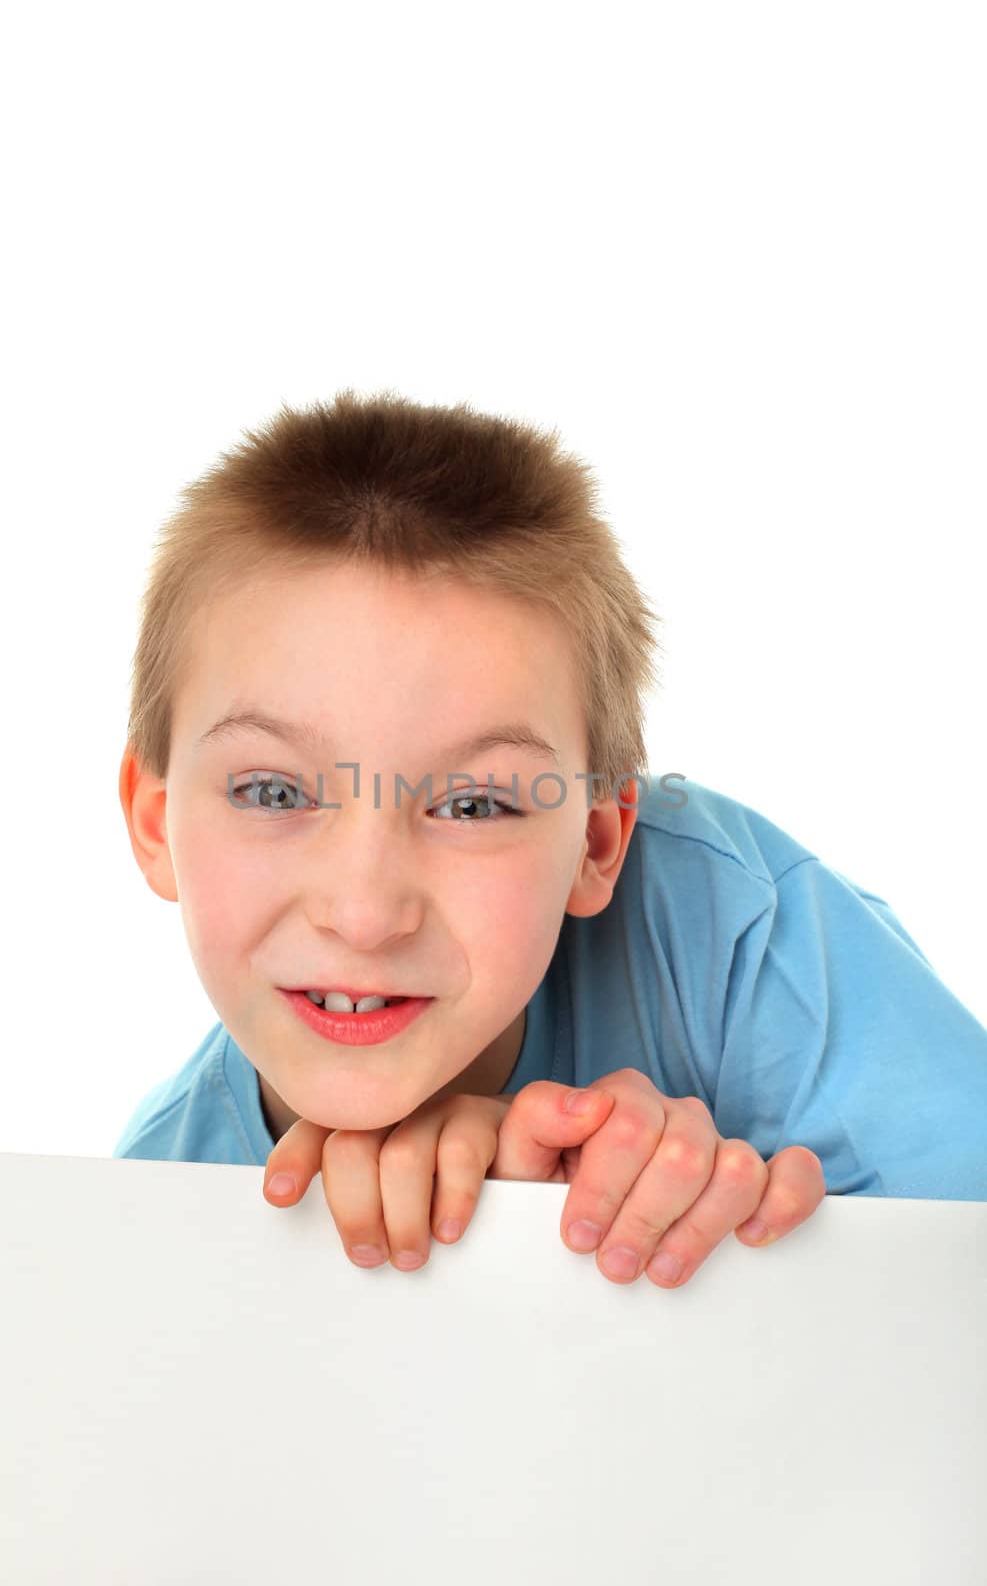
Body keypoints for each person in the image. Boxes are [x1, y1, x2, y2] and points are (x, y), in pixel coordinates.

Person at [113, 388, 987, 1288]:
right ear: (154, 822)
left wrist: (711, 1209)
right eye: (272, 790)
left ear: (597, 843)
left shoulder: (723, 921)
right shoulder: (152, 1212)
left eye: (474, 806)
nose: (365, 913)